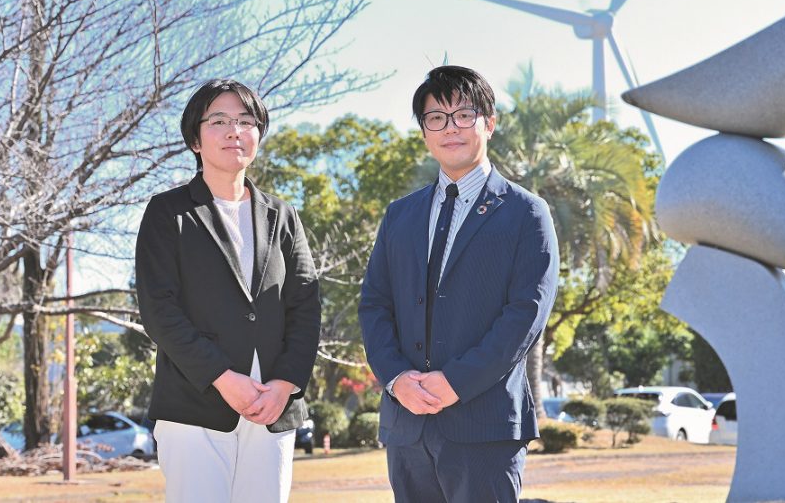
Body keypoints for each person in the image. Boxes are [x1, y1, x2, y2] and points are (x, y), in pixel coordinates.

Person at [359, 65, 559, 502]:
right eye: (436, 118)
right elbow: (374, 305)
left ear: (489, 122)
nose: (450, 128)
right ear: (424, 132)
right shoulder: (400, 215)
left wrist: (456, 382)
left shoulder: (527, 213)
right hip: (407, 427)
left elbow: (526, 314)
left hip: (483, 426)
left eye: (463, 115)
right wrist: (395, 379)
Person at [136, 79, 320, 502]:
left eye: (245, 121)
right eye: (218, 120)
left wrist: (286, 383)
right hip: (194, 405)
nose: (234, 130)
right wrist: (222, 377)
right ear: (195, 139)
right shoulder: (168, 212)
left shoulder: (284, 216)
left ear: (258, 134)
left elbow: (305, 305)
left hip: (273, 409)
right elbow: (159, 310)